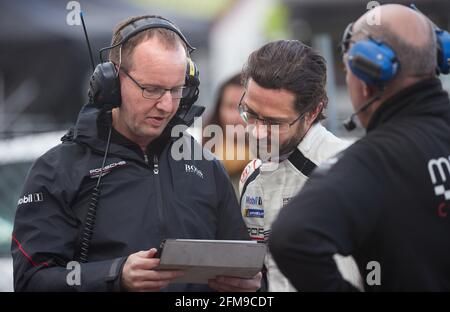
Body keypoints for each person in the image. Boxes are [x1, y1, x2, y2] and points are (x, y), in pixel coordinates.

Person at [11, 15, 261, 292]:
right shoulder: (56, 170)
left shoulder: (207, 166)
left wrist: (250, 286)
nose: (166, 105)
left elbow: (244, 270)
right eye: (151, 89)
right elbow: (31, 281)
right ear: (111, 83)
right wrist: (115, 275)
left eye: (176, 90)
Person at [270, 4, 450, 291]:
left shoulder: (374, 162)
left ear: (368, 76)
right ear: (439, 55)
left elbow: (291, 237)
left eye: (347, 68)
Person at [238, 40, 361, 291]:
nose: (257, 132)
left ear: (312, 113)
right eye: (250, 113)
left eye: (273, 122)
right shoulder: (251, 176)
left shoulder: (350, 170)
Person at [204, 73, 250, 195]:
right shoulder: (198, 155)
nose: (236, 117)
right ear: (219, 109)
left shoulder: (272, 159)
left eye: (244, 109)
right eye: (230, 106)